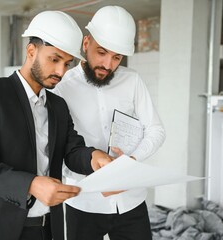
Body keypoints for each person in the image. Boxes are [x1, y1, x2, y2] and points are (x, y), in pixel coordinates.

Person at [0, 10, 113, 240]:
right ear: (31, 51)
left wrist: (94, 157)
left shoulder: (58, 105)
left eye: (67, 63)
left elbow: (72, 150)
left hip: (45, 228)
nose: (61, 72)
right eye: (54, 59)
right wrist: (31, 184)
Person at [53, 5, 166, 240]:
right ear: (86, 44)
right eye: (101, 52)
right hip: (83, 203)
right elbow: (61, 146)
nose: (108, 64)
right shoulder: (62, 88)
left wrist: (131, 161)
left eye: (117, 57)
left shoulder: (132, 81)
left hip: (131, 202)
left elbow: (156, 130)